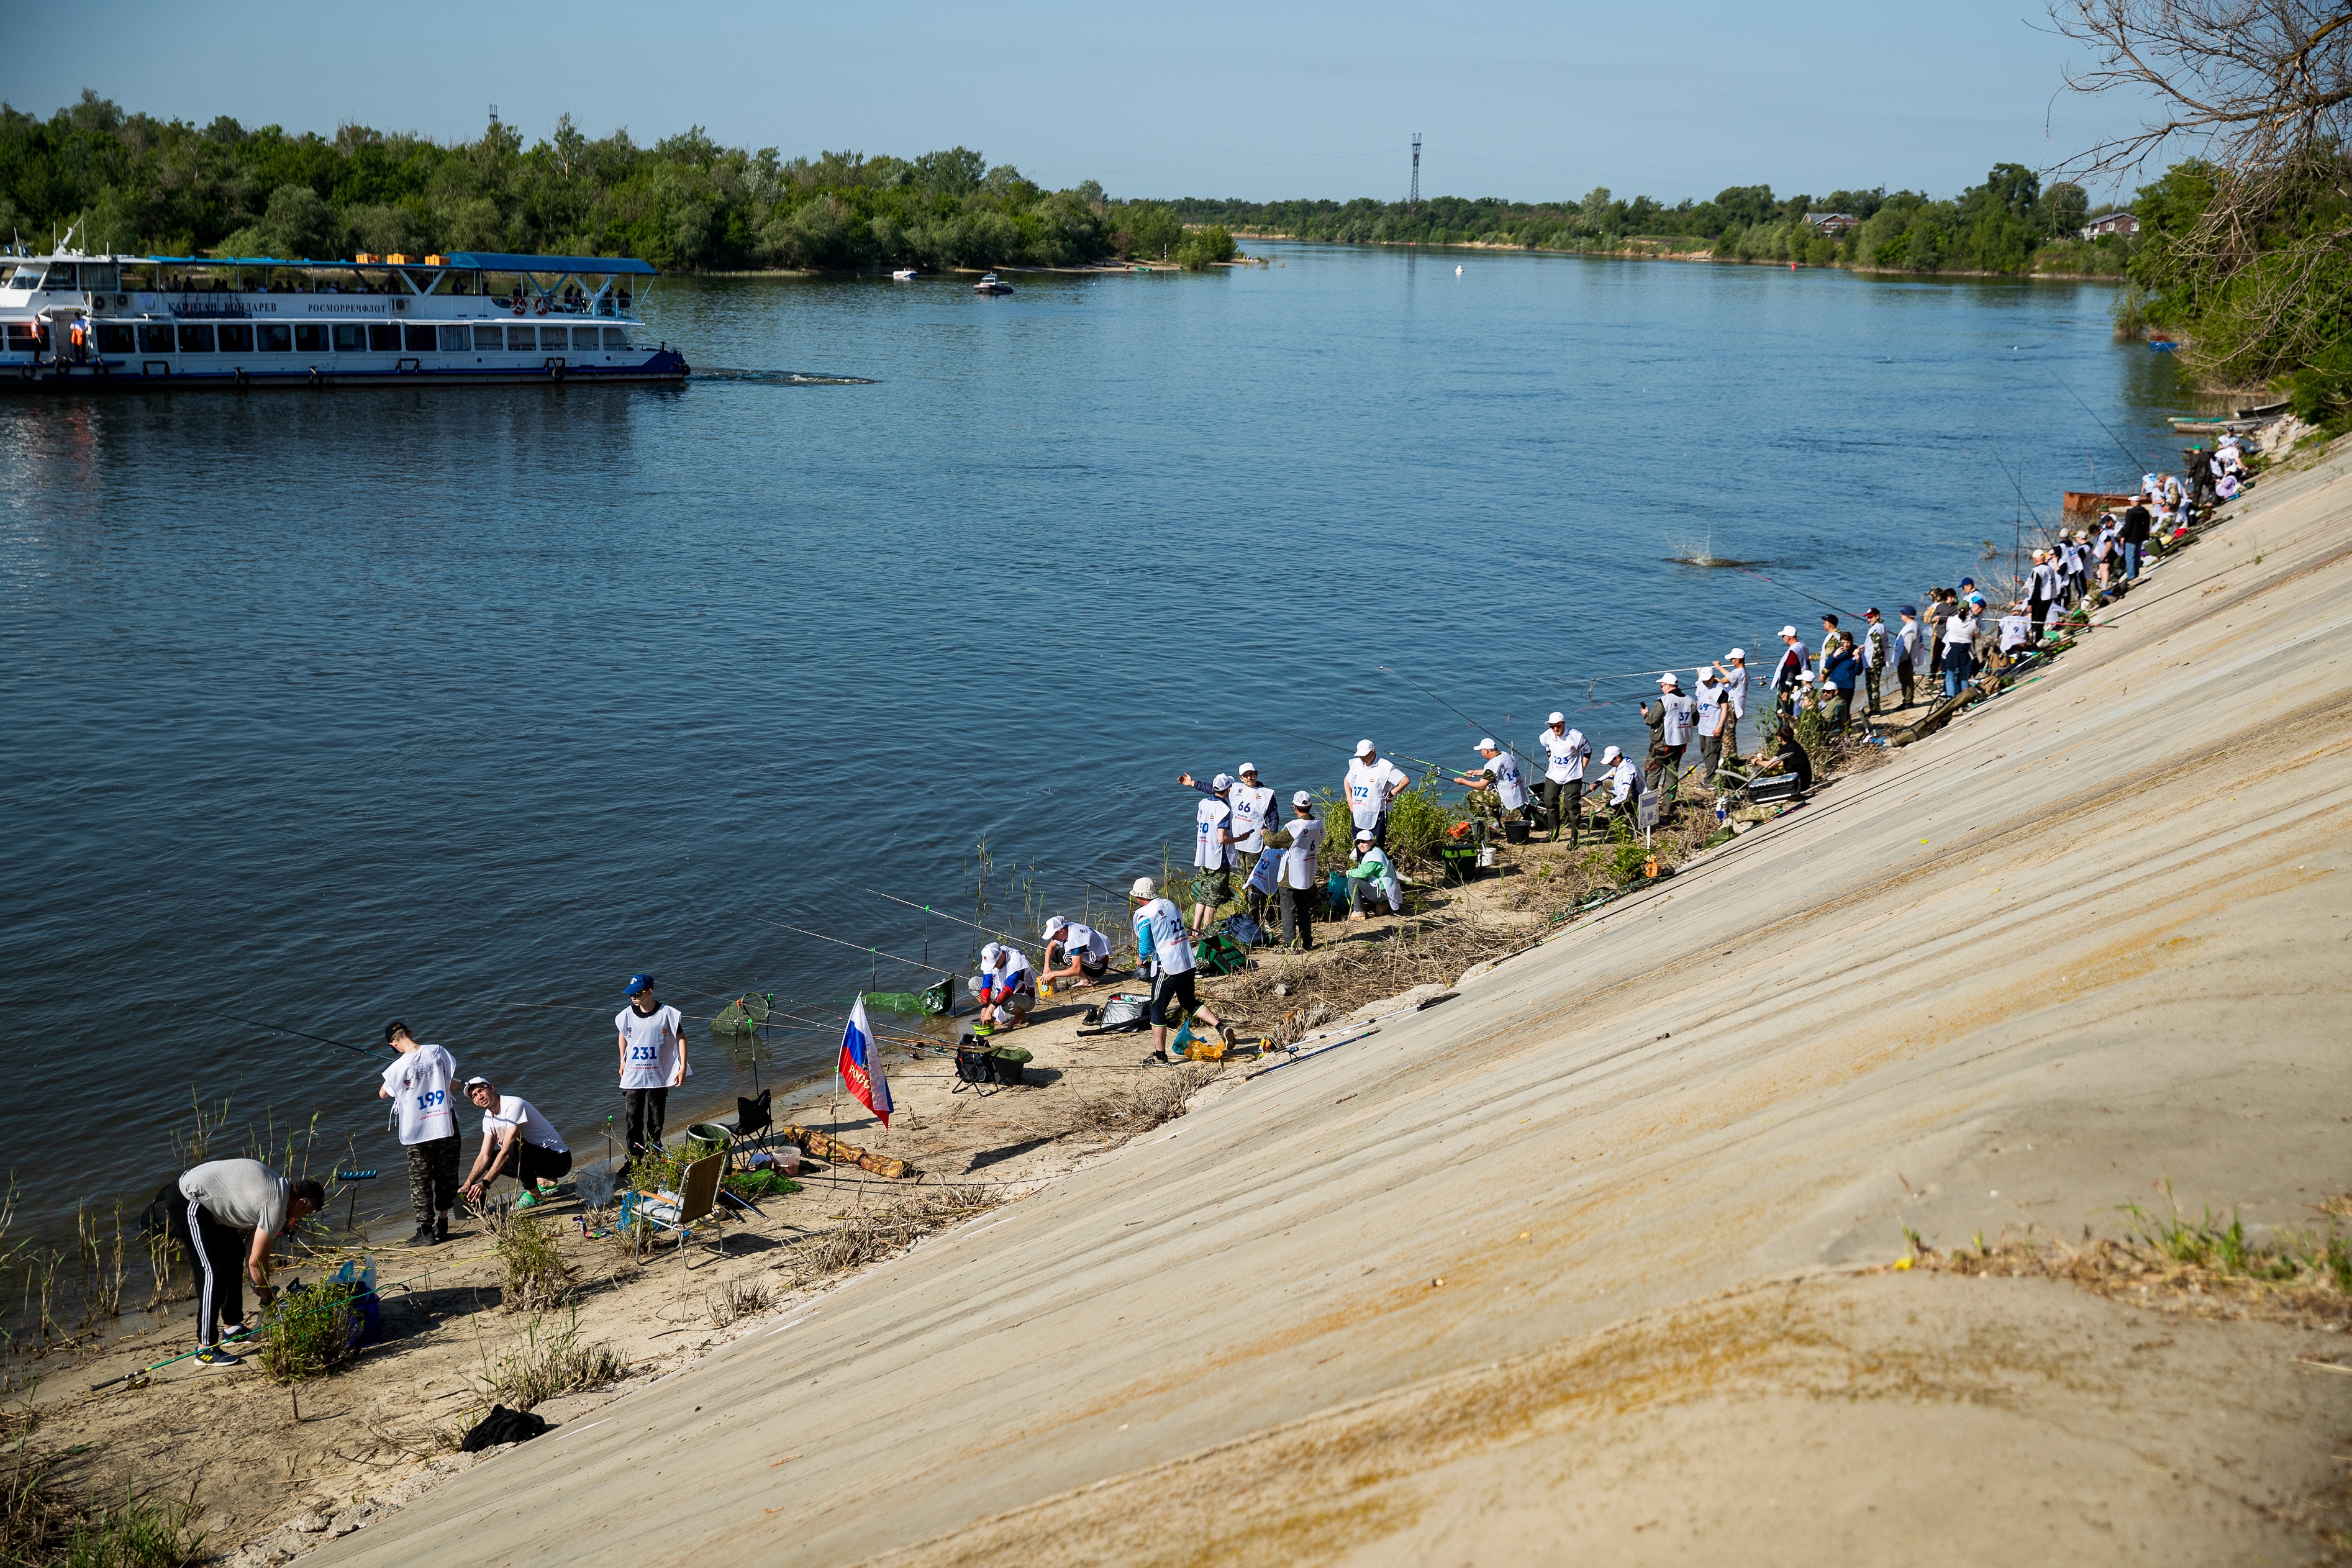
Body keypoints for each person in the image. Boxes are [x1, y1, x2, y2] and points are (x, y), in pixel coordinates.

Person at [166, 1159, 323, 1369]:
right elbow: (257, 1263)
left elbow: (251, 1249)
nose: (303, 1218)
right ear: (301, 1202)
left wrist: (259, 1286)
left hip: (209, 1203)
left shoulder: (280, 1188)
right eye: (306, 1213)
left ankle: (232, 1328)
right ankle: (205, 1348)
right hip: (188, 1200)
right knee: (213, 1273)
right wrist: (268, 1299)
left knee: (234, 1252)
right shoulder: (275, 1206)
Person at [378, 1022, 458, 1248]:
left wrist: (400, 1070)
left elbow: (384, 1094)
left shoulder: (396, 1068)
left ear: (393, 1044)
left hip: (418, 1130)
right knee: (447, 1174)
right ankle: (443, 1224)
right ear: (411, 1033)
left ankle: (425, 1232)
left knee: (421, 1180)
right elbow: (451, 1085)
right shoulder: (438, 1051)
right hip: (444, 1122)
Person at [1127, 876, 1220, 1063]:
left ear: (1138, 897)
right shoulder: (1168, 904)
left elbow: (1145, 945)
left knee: (1157, 1009)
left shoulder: (1145, 915)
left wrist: (1141, 959)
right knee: (1188, 1001)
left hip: (1168, 966)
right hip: (1186, 961)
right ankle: (1220, 1026)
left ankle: (1160, 1055)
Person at [459, 1077, 572, 1208]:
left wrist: (485, 1183)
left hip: (559, 1160)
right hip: (538, 1163)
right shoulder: (488, 1119)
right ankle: (542, 1181)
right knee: (490, 1160)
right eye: (475, 1096)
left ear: (491, 1088)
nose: (480, 1096)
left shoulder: (513, 1105)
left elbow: (508, 1149)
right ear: (474, 1102)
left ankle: (534, 1195)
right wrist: (468, 1184)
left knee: (514, 1147)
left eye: (481, 1090)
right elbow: (484, 1156)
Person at [615, 974, 686, 1169]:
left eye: (638, 993)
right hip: (634, 1076)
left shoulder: (667, 1014)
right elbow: (623, 1036)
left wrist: (682, 1067)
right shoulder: (627, 1015)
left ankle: (655, 1156)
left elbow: (681, 1038)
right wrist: (622, 1060)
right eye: (631, 994)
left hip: (658, 1075)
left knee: (655, 1121)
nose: (633, 997)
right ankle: (634, 1160)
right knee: (633, 1120)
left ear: (650, 992)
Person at [1267, 791, 1325, 948]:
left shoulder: (1294, 826)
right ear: (1310, 806)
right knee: (1304, 908)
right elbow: (1322, 838)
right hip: (1308, 869)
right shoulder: (1319, 823)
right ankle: (1307, 942)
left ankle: (1290, 945)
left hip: (1291, 872)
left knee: (1288, 909)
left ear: (1295, 808)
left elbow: (1273, 842)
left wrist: (1264, 832)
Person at [1184, 773, 1236, 936]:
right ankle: (1208, 932)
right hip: (1218, 858)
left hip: (1203, 855)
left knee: (1203, 896)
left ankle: (1196, 930)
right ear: (1228, 789)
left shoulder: (1203, 803)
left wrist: (1194, 783)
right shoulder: (1224, 809)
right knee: (1213, 899)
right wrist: (1242, 838)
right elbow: (1222, 839)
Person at [1535, 712, 1589, 845]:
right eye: (1552, 726)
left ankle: (1574, 838)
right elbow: (1547, 747)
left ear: (1563, 723)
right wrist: (1550, 757)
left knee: (1572, 805)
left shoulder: (1576, 737)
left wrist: (1582, 769)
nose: (1555, 729)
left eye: (1557, 726)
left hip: (1573, 775)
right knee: (1550, 801)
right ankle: (1552, 834)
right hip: (1554, 775)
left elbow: (1588, 751)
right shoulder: (1545, 737)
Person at [1343, 741, 1409, 848]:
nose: (1362, 758)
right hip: (1358, 813)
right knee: (1359, 846)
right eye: (1360, 755)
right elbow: (1347, 780)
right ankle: (1361, 864)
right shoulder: (1356, 764)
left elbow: (1405, 781)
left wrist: (1391, 794)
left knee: (1376, 847)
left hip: (1377, 814)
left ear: (1373, 752)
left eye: (1365, 755)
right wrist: (1349, 800)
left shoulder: (1385, 766)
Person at [1640, 674, 1694, 802]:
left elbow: (1652, 721)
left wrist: (1645, 714)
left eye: (1662, 686)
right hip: (1680, 744)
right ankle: (1668, 808)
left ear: (1668, 686)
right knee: (1671, 777)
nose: (1661, 689)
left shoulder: (1663, 701)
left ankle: (1649, 812)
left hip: (1661, 746)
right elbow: (1695, 720)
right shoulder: (1691, 700)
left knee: (1652, 777)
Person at [1450, 738, 1527, 827]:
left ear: (1486, 751)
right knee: (1488, 791)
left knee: (1473, 795)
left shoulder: (1492, 764)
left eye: (1481, 750)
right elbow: (1497, 772)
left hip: (1507, 798)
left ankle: (1482, 826)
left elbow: (1481, 786)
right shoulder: (1506, 756)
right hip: (1518, 793)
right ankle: (1496, 825)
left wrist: (1463, 782)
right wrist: (1475, 772)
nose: (1481, 753)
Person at [972, 941, 1037, 1029]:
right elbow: (986, 985)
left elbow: (1009, 989)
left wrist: (991, 1008)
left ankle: (1020, 1015)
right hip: (1004, 990)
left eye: (994, 965)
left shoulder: (1016, 960)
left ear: (1001, 957)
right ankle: (994, 1016)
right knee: (973, 983)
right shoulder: (993, 957)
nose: (993, 967)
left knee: (1006, 1003)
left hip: (1025, 997)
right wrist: (985, 1007)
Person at [1038, 916, 1110, 991]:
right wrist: (1046, 967)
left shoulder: (1076, 939)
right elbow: (1051, 947)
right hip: (1092, 958)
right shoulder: (1067, 928)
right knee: (1055, 956)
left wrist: (1052, 974)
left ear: (1061, 931)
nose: (1053, 939)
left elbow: (1077, 970)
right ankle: (1087, 976)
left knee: (1065, 956)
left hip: (1099, 966)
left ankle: (1086, 981)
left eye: (1053, 936)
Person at [1344, 828, 1401, 920]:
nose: (1360, 845)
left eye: (1364, 842)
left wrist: (1347, 872)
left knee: (1353, 881)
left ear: (1372, 842)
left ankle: (1359, 911)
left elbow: (1361, 874)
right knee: (1357, 881)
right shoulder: (1376, 851)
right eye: (1358, 842)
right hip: (1387, 892)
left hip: (1383, 894)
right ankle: (1379, 905)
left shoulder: (1374, 858)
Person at [1712, 649, 1748, 756]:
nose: (1731, 661)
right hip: (1739, 705)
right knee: (1731, 732)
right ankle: (1732, 756)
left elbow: (1724, 680)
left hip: (1732, 705)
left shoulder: (1737, 673)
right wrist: (1719, 668)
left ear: (1738, 660)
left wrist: (1710, 678)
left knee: (1728, 733)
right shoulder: (1744, 672)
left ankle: (1730, 757)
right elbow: (1731, 676)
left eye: (1733, 659)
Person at [1820, 632, 1858, 734]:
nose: (1845, 645)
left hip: (1847, 686)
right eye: (1843, 642)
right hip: (1834, 685)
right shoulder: (1837, 651)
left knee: (1845, 709)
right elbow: (1828, 666)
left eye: (1848, 643)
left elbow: (1858, 672)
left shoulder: (1855, 653)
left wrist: (1858, 661)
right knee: (1830, 708)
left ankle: (1847, 731)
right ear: (1840, 642)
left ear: (1851, 642)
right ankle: (1831, 730)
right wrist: (1834, 656)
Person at [1941, 597, 1981, 696]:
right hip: (1966, 651)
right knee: (1964, 676)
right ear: (1968, 611)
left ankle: (1950, 699)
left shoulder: (1950, 620)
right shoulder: (1973, 622)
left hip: (1952, 650)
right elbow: (1978, 635)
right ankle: (1964, 702)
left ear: (1958, 610)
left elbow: (1948, 629)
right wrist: (1971, 633)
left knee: (1950, 676)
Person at [1694, 668, 1728, 781]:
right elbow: (1700, 677)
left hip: (1713, 727)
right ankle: (1710, 774)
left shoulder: (1719, 691)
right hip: (1702, 726)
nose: (1706, 682)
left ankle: (1711, 780)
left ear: (1713, 677)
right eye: (1704, 680)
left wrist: (1719, 726)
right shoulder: (1701, 684)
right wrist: (1699, 671)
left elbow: (1724, 709)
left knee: (1712, 753)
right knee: (1704, 751)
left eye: (1708, 680)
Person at [1769, 626, 1810, 710]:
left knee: (1783, 711)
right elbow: (1807, 664)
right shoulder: (1803, 647)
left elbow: (1791, 672)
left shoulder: (1793, 651)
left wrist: (1786, 690)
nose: (1783, 639)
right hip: (1800, 682)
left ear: (1788, 637)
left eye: (1783, 636)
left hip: (1791, 687)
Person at [1600, 745, 1639, 825]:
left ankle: (1629, 812)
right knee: (1606, 782)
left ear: (1617, 758)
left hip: (1636, 797)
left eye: (1610, 761)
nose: (1609, 764)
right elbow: (1610, 774)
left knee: (1606, 796)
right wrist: (1596, 782)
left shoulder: (1628, 771)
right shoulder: (1621, 763)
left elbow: (1624, 795)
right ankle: (1621, 811)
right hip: (1629, 792)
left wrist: (1609, 804)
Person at [1891, 608, 1922, 709]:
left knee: (1905, 679)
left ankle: (1908, 701)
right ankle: (1908, 700)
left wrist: (1902, 658)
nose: (1901, 615)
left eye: (1903, 614)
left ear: (1907, 615)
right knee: (1906, 679)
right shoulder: (1911, 626)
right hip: (1906, 658)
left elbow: (1907, 647)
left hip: (1906, 659)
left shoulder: (1910, 629)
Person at [1859, 609, 1887, 716]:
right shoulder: (1879, 627)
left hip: (1873, 661)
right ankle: (1873, 708)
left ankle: (1875, 709)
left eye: (1871, 617)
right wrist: (1865, 646)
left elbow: (1878, 645)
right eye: (1868, 617)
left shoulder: (1877, 628)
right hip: (1873, 660)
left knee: (1873, 685)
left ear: (1877, 616)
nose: (1869, 619)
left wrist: (1877, 660)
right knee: (1871, 685)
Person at [2120, 500, 2151, 582]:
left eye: (2132, 501)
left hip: (2131, 538)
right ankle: (2136, 573)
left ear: (2136, 502)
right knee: (2137, 555)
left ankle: (2131, 576)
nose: (2131, 503)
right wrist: (2146, 534)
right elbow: (2147, 524)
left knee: (2129, 557)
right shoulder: (2144, 511)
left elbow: (2128, 526)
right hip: (2140, 537)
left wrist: (2123, 536)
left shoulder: (2131, 512)